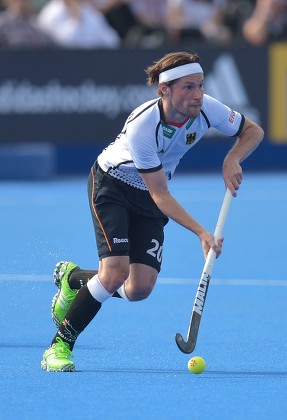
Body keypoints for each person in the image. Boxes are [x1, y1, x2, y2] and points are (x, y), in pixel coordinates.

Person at [41, 50, 264, 372]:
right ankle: (59, 347)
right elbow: (160, 194)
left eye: (200, 85)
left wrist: (232, 158)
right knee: (115, 271)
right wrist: (201, 232)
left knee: (138, 289)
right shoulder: (144, 125)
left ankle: (74, 279)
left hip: (148, 194)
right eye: (188, 87)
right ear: (165, 90)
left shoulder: (207, 109)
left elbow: (252, 131)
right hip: (113, 186)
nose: (198, 94)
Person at [37, 0, 121, 49]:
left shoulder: (88, 10)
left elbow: (113, 40)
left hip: (93, 64)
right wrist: (75, 19)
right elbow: (65, 44)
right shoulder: (50, 14)